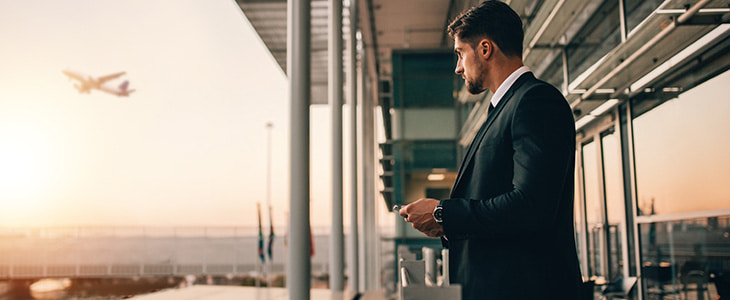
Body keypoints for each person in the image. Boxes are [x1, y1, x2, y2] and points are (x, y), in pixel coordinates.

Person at [399, 1, 583, 299]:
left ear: (485, 48)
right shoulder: (506, 108)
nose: (457, 67)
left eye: (460, 53)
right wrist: (443, 225)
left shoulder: (535, 102)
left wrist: (444, 213)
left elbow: (531, 206)